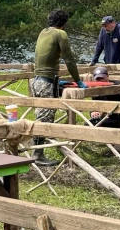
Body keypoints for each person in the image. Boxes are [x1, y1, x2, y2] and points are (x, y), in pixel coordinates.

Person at [31, 9, 87, 166]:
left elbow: (45, 59)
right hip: (45, 82)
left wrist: (57, 80)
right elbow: (69, 60)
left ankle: (37, 152)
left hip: (37, 80)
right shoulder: (60, 34)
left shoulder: (43, 32)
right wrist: (78, 80)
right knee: (45, 117)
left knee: (41, 115)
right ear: (65, 23)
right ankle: (37, 154)